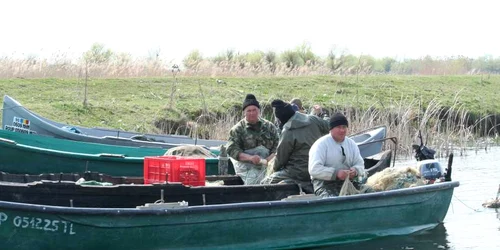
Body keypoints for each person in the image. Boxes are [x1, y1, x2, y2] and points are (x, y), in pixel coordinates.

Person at [262, 99, 330, 193]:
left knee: (265, 183)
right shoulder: (312, 119)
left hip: (297, 172)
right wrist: (323, 114)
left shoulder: (288, 130)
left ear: (281, 119)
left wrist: (273, 168)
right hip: (318, 167)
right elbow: (329, 125)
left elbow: (281, 159)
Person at [226, 94, 280, 185]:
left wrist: (269, 159)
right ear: (244, 113)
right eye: (249, 111)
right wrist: (250, 158)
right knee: (253, 180)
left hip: (268, 165)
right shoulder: (237, 129)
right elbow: (232, 149)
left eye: (254, 110)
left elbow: (278, 146)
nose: (252, 113)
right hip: (246, 167)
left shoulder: (270, 127)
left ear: (258, 111)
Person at [308, 112, 365, 197]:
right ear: (331, 129)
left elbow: (360, 163)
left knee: (370, 191)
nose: (342, 130)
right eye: (338, 127)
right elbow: (314, 169)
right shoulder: (321, 144)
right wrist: (336, 173)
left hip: (348, 182)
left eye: (344, 127)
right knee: (331, 200)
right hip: (324, 184)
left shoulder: (351, 144)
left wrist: (355, 170)